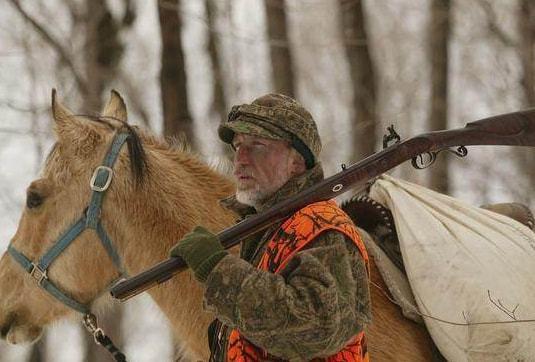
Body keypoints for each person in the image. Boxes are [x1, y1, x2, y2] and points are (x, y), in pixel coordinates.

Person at [170, 93, 371, 361]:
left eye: (257, 145)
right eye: (238, 145)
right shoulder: (270, 229)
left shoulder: (321, 225)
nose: (240, 158)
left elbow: (317, 327)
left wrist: (218, 269)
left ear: (296, 163)